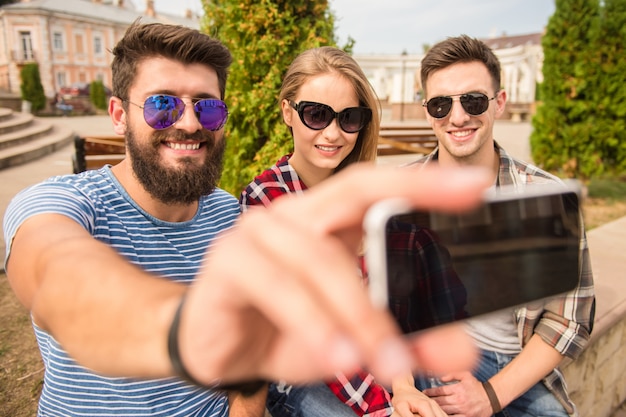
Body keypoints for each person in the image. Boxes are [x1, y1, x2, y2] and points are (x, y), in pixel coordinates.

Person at [2, 21, 488, 416]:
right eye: (162, 104)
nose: (189, 123)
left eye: (207, 107)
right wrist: (185, 330)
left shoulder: (225, 214)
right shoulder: (61, 203)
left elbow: (254, 369)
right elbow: (57, 278)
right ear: (117, 113)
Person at [393, 35, 595, 417]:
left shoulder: (545, 196)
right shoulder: (402, 194)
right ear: (427, 112)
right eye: (441, 104)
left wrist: (490, 395)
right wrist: (403, 386)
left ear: (498, 103)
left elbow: (569, 319)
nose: (457, 117)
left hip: (514, 365)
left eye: (473, 100)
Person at [240, 46, 447, 417]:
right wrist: (385, 406)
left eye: (349, 118)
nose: (333, 133)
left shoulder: (364, 199)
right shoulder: (268, 200)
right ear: (288, 112)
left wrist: (402, 387)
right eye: (316, 114)